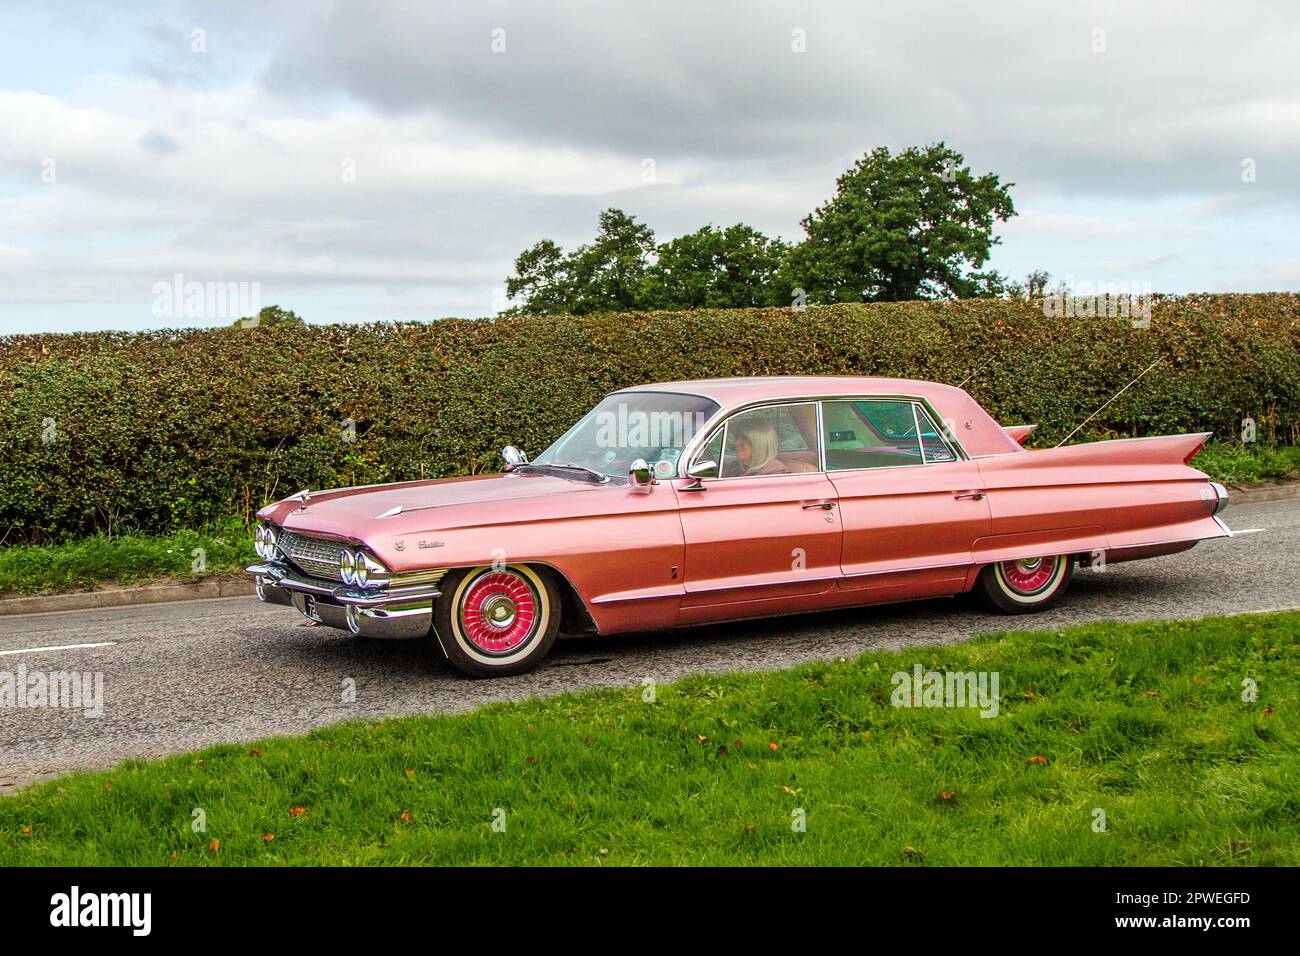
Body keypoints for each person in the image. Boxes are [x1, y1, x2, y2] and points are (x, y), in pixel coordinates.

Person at [734, 422, 815, 475]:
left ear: (760, 444)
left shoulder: (775, 474)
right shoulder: (738, 468)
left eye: (745, 439)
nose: (736, 443)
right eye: (737, 437)